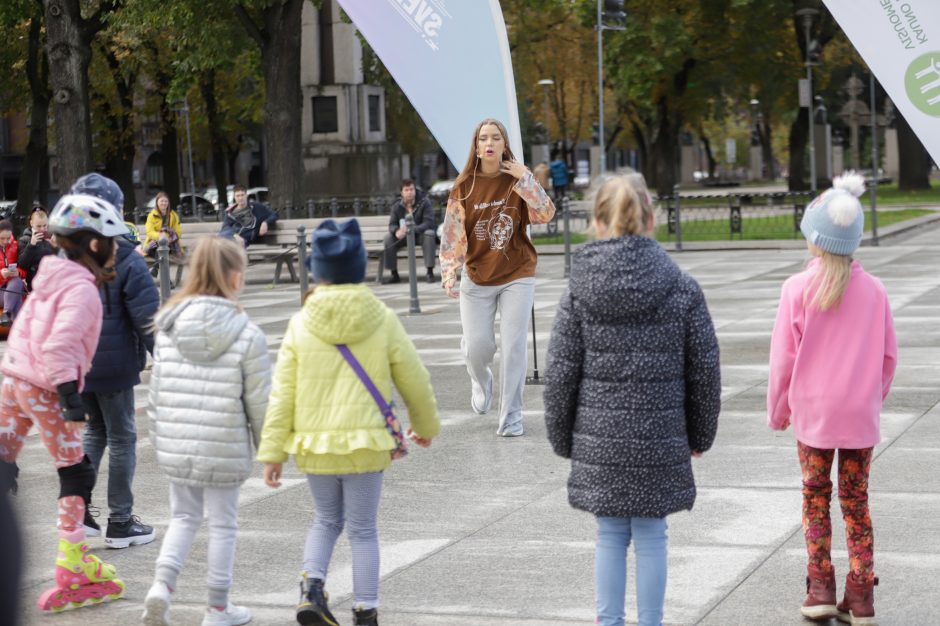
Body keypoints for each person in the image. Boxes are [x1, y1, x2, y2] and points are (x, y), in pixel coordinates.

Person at [543, 174, 720, 626]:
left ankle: (609, 621)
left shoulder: (579, 292)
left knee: (609, 535)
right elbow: (703, 372)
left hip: (601, 441)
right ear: (651, 218)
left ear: (596, 222)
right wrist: (700, 434)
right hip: (660, 437)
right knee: (652, 534)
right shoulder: (681, 289)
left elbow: (561, 375)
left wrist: (564, 439)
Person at [258, 218, 440, 626]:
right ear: (360, 267)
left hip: (315, 448)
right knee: (362, 530)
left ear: (315, 271)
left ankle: (311, 589)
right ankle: (365, 611)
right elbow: (414, 378)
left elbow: (282, 393)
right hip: (366, 445)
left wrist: (273, 452)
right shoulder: (381, 316)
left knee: (325, 520)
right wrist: (425, 426)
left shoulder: (300, 323)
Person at [767, 172, 896, 625]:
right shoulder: (875, 292)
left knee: (815, 495)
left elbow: (783, 360)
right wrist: (869, 400)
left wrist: (779, 410)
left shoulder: (796, 290)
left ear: (815, 239)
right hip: (859, 415)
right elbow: (887, 358)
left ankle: (820, 585)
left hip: (814, 414)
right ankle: (861, 595)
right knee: (856, 500)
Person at [0, 192, 129, 612]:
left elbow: (24, 329)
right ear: (94, 246)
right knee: (76, 470)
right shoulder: (83, 290)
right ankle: (73, 563)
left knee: (3, 462)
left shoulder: (48, 277)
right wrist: (71, 399)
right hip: (44, 385)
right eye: (113, 243)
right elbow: (58, 346)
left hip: (13, 376)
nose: (116, 252)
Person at [142, 236, 271, 626]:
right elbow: (260, 402)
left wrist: (159, 438)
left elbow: (156, 394)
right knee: (223, 524)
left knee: (182, 517)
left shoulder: (167, 326)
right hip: (223, 444)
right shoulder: (246, 333)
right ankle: (217, 608)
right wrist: (269, 449)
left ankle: (161, 587)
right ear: (234, 278)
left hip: (178, 442)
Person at [438, 118, 555, 437]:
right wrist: (449, 271)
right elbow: (451, 235)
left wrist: (527, 178)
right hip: (477, 278)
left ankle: (511, 417)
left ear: (504, 145)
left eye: (496, 138)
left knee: (515, 345)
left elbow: (545, 214)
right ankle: (480, 380)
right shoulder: (464, 186)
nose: (489, 143)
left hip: (518, 273)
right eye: (483, 138)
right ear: (476, 147)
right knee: (479, 348)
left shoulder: (518, 180)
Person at [69, 172, 161, 549]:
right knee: (123, 437)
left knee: (94, 433)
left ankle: (80, 510)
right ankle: (121, 522)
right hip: (115, 365)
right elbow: (149, 319)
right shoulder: (125, 258)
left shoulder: (65, 256)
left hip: (77, 366)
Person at [381, 179, 437, 284]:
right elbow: (392, 224)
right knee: (388, 238)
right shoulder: (397, 206)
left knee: (429, 234)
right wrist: (396, 231)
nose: (409, 192)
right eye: (406, 190)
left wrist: (412, 229)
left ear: (415, 190)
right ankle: (394, 274)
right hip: (403, 237)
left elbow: (429, 223)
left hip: (419, 235)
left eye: (411, 189)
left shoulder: (424, 202)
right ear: (402, 192)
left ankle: (430, 272)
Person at [17, 205, 56, 294]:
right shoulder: (24, 240)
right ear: (31, 223)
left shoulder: (53, 237)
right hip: (36, 280)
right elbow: (22, 265)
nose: (42, 229)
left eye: (45, 225)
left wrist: (56, 247)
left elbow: (65, 261)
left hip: (53, 277)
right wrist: (31, 245)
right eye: (38, 226)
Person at [142, 191, 183, 260]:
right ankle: (157, 269)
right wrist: (161, 236)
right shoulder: (151, 215)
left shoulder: (174, 215)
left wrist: (169, 239)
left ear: (168, 203)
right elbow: (149, 232)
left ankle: (161, 269)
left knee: (167, 254)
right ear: (157, 203)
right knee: (159, 252)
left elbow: (178, 232)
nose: (164, 203)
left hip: (172, 243)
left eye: (166, 201)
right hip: (154, 243)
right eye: (161, 201)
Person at [0, 220, 24, 325]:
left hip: (11, 288)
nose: (5, 241)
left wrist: (17, 272)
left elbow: (24, 269)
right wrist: (1, 274)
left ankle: (6, 314)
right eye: (2, 238)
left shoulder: (16, 246)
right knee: (17, 296)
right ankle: (18, 329)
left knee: (17, 280)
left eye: (8, 238)